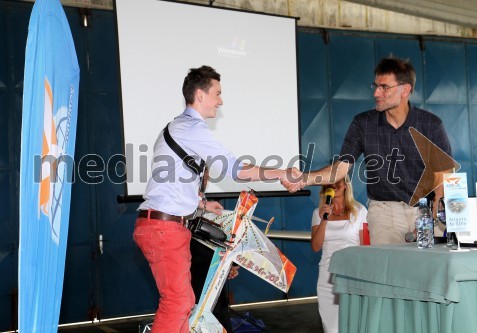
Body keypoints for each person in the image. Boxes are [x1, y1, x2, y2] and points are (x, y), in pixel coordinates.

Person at [133, 65, 290, 333]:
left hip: (166, 226)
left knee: (184, 304)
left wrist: (202, 204)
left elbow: (172, 182)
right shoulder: (191, 128)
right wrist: (281, 172)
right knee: (178, 302)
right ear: (200, 95)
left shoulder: (178, 128)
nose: (221, 100)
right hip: (164, 229)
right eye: (217, 93)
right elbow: (237, 169)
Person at [283, 56, 454, 245]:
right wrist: (304, 178)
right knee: (388, 272)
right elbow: (340, 169)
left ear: (405, 89)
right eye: (376, 86)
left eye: (385, 87)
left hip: (425, 209)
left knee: (427, 271)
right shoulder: (363, 123)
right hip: (384, 211)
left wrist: (432, 215)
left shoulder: (431, 124)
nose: (376, 93)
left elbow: (444, 176)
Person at [311, 176, 367, 333]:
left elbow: (365, 247)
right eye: (329, 182)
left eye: (337, 181)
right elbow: (315, 247)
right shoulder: (318, 213)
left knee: (354, 323)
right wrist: (324, 220)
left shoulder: (360, 211)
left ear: (345, 185)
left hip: (352, 273)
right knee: (331, 327)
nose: (333, 184)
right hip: (327, 275)